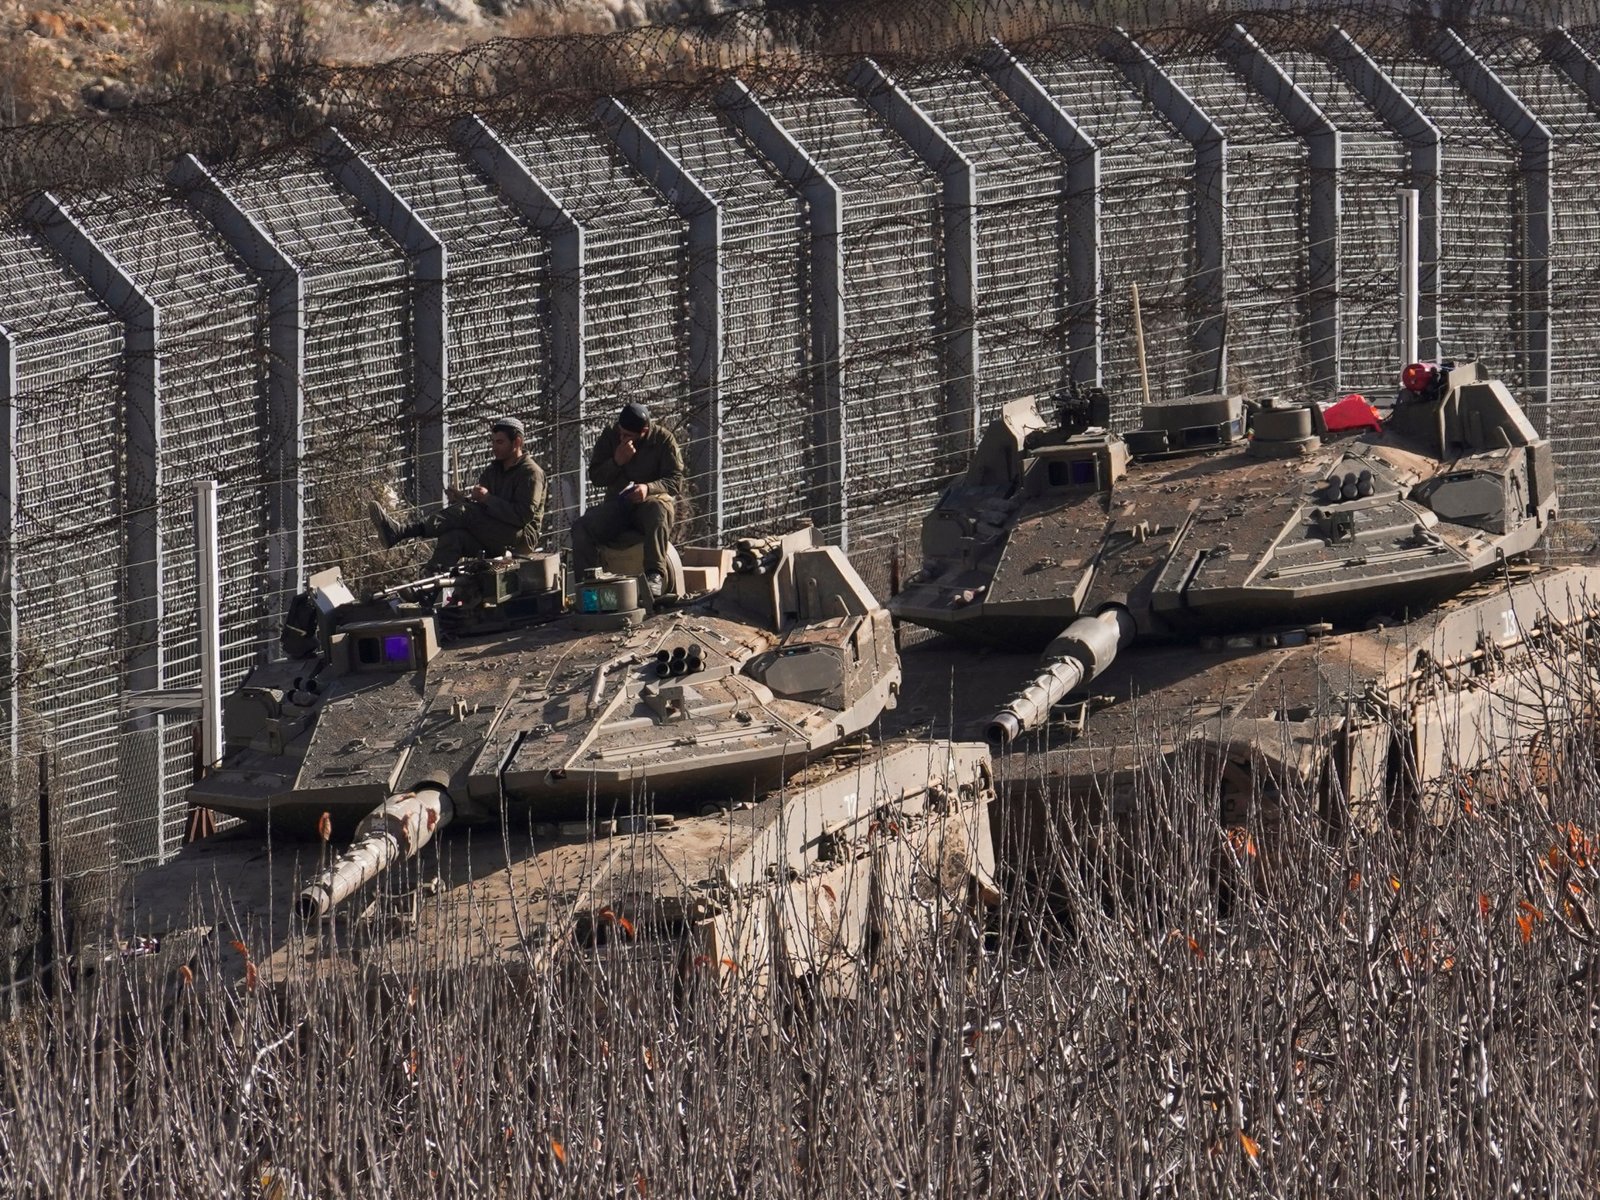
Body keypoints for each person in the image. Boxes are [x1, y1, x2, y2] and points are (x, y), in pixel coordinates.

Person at [369, 416, 546, 571]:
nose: (494, 447)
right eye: (492, 442)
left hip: (520, 539)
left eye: (500, 442)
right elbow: (482, 511)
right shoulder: (494, 471)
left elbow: (523, 516)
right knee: (453, 538)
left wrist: (486, 499)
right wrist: (463, 499)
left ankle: (402, 531)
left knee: (466, 513)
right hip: (496, 532)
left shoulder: (530, 473)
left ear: (517, 442)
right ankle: (426, 592)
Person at [571, 402, 684, 598]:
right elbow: (597, 477)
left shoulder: (663, 440)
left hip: (648, 505)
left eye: (628, 436)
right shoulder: (611, 436)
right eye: (621, 433)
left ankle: (654, 576)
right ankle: (588, 587)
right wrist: (616, 462)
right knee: (582, 527)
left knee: (658, 510)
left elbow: (675, 482)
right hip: (618, 505)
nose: (622, 438)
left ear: (644, 431)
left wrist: (648, 488)